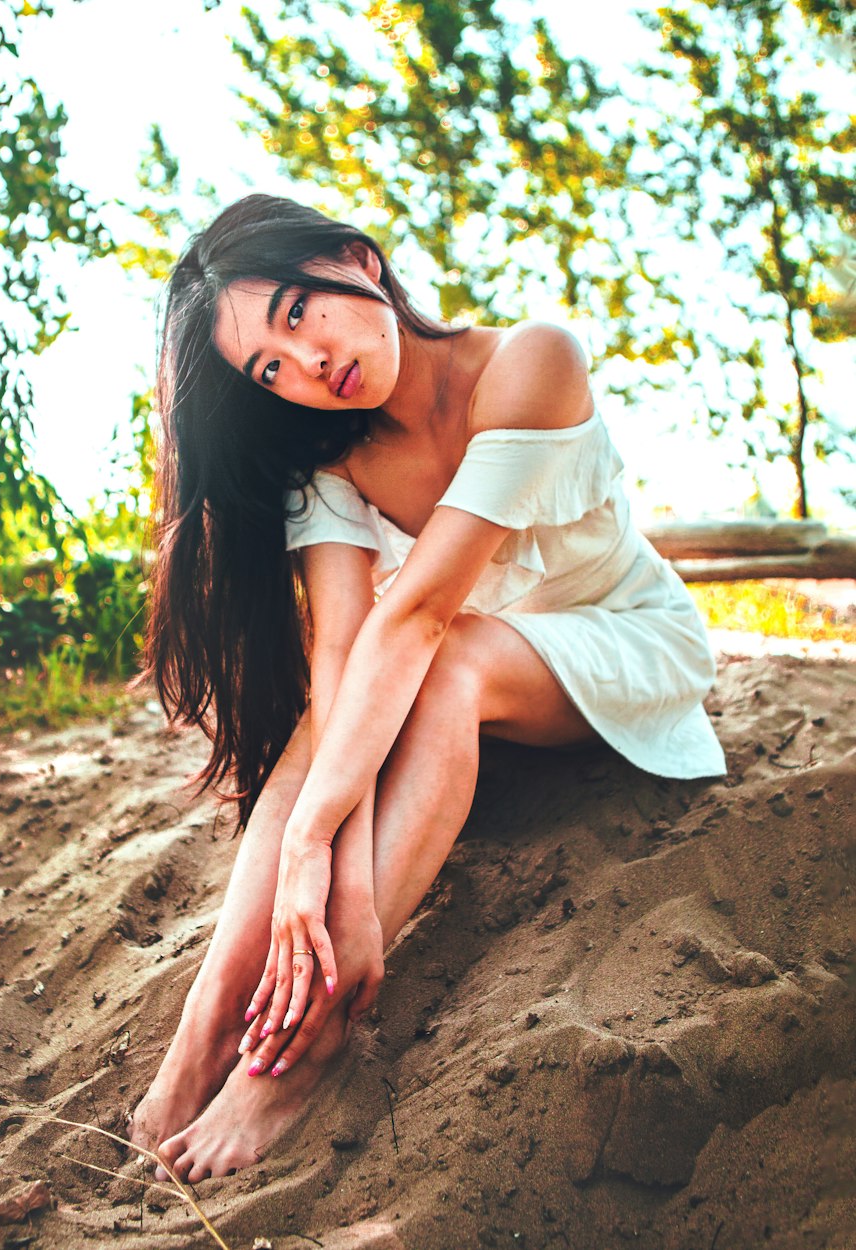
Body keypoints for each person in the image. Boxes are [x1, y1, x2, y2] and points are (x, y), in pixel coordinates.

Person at [127, 193, 725, 1182]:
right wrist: (324, 855)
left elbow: (419, 621)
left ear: (356, 261)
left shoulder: (531, 359)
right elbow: (343, 659)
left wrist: (334, 869)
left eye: (292, 312)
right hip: (468, 663)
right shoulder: (328, 459)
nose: (308, 364)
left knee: (445, 659)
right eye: (269, 368)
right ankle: (196, 1044)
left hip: (622, 642)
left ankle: (297, 1051)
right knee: (315, 737)